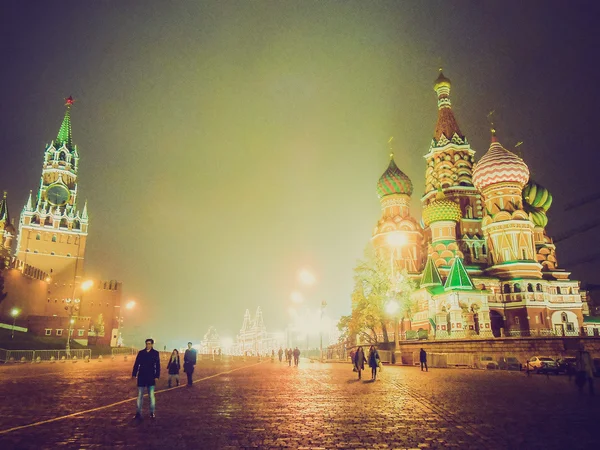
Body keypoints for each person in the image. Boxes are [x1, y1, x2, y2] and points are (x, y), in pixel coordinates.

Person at [131, 338, 161, 419]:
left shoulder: (155, 353)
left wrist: (157, 376)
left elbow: (158, 365)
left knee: (151, 396)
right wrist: (134, 374)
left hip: (151, 377)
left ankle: (152, 412)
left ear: (152, 344)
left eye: (149, 343)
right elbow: (136, 364)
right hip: (141, 376)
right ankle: (138, 413)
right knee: (140, 395)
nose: (148, 345)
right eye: (147, 343)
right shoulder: (141, 353)